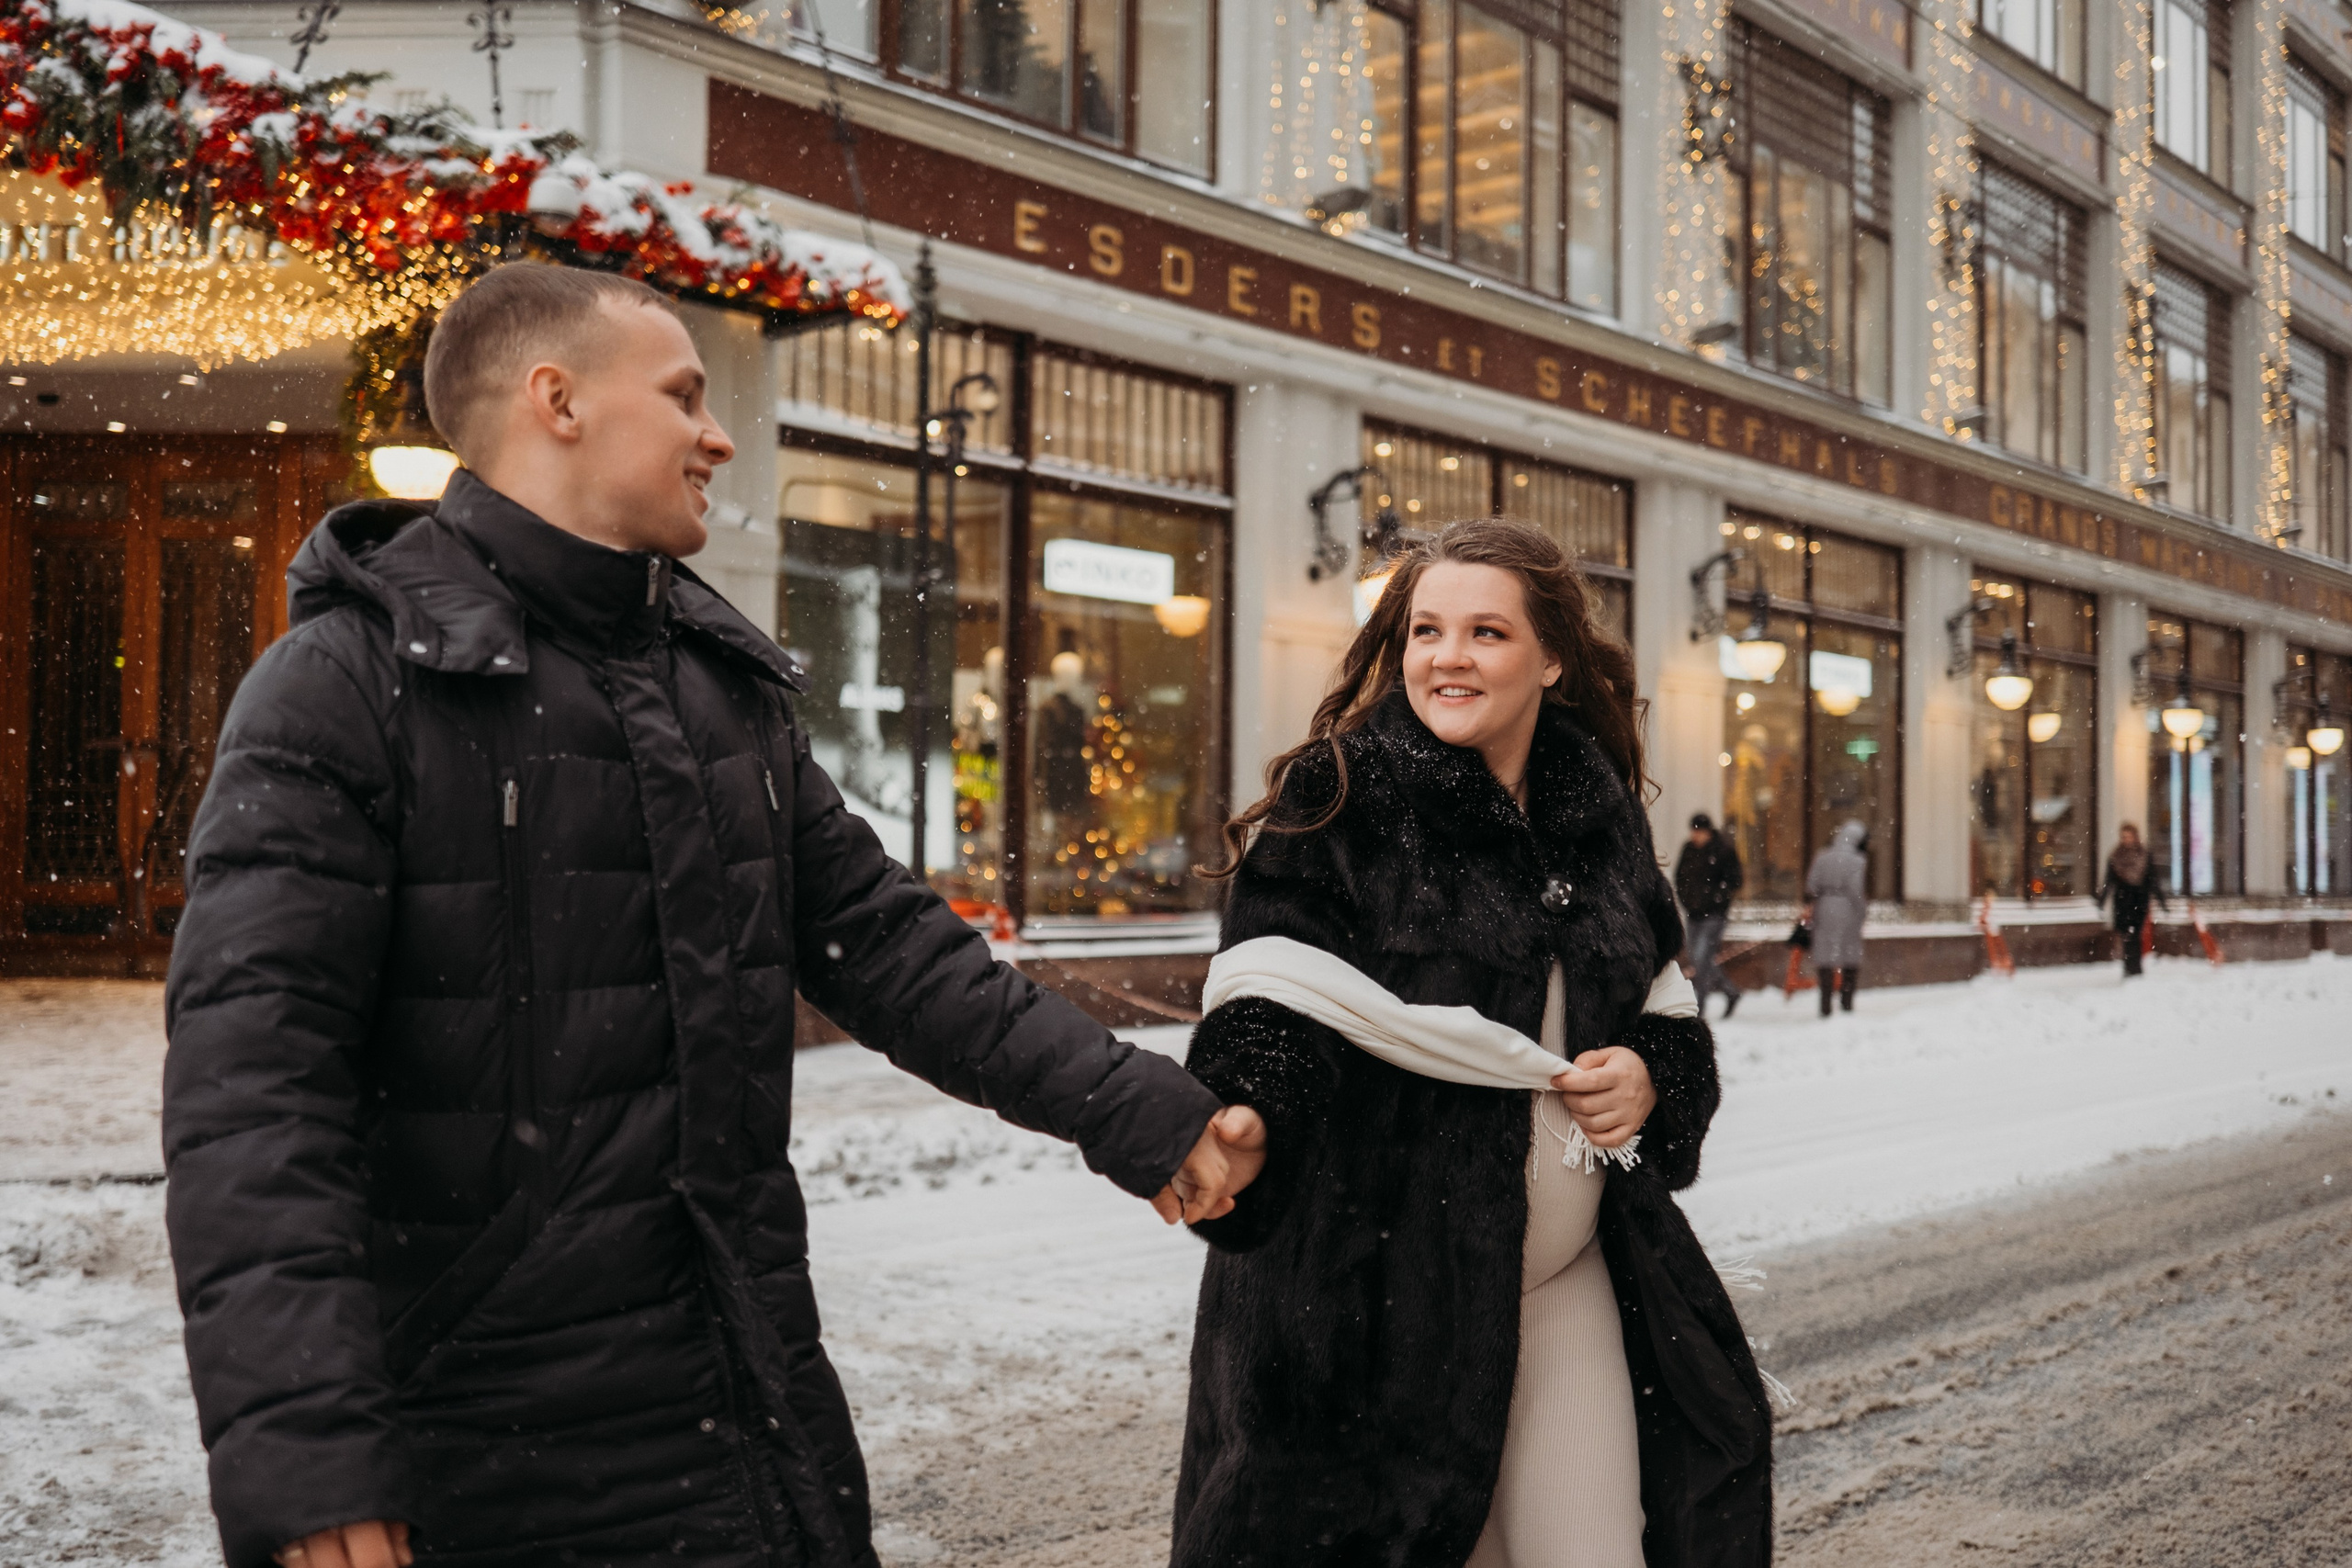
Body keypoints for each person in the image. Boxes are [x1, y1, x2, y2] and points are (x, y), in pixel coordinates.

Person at [161, 264, 1264, 1568]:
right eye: (683, 395)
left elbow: (892, 946)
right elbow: (255, 1094)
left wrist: (1139, 1110)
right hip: (480, 1439)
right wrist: (305, 1445)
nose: (718, 432)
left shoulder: (712, 684)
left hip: (746, 1397)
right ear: (556, 399)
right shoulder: (341, 689)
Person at [1170, 519, 1771, 1568]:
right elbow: (1272, 989)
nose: (1446, 656)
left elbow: (1663, 1002)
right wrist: (1251, 1107)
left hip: (1563, 1277)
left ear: (1548, 658)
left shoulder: (1598, 812)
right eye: (1424, 630)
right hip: (1373, 1308)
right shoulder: (1342, 795)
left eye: (1486, 632)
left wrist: (1651, 1077)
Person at [1674, 811, 1745, 1018]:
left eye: (1699, 832)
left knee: (1702, 958)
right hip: (1693, 914)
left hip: (1714, 915)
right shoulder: (1688, 849)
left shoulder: (1723, 850)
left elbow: (1735, 881)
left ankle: (1699, 1006)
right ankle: (1731, 992)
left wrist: (1716, 897)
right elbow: (1680, 878)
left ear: (1707, 832)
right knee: (1699, 960)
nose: (1695, 836)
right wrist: (1686, 900)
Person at [1804, 820, 1870, 1017]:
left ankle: (1825, 1005)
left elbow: (1811, 885)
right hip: (1848, 908)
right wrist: (1862, 911)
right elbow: (1856, 890)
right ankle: (1846, 1003)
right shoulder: (1857, 860)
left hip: (1824, 907)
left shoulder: (1822, 856)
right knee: (1849, 955)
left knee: (1825, 956)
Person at [2097, 822, 2166, 977]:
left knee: (2136, 934)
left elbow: (2153, 880)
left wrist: (2162, 901)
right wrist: (2102, 901)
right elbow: (2109, 881)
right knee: (2126, 936)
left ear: (2135, 836)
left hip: (2139, 900)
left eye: (2129, 836)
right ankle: (2130, 967)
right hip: (2122, 901)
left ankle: (2135, 967)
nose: (2126, 839)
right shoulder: (2116, 856)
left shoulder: (2144, 855)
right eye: (2124, 836)